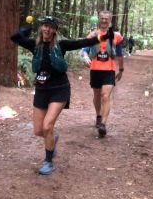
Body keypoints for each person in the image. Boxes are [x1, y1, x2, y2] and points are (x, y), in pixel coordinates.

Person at [11, 16, 113, 175]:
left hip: (60, 89)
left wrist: (104, 36)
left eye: (51, 27)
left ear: (54, 31)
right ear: (41, 27)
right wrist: (25, 29)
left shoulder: (61, 45)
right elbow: (14, 38)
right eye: (45, 26)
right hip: (42, 90)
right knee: (38, 131)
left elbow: (82, 42)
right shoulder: (35, 44)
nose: (47, 29)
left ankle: (48, 161)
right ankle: (51, 139)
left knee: (47, 126)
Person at [82, 10, 124, 138]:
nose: (104, 20)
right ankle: (98, 116)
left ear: (110, 20)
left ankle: (103, 125)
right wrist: (84, 56)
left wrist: (121, 69)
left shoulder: (116, 35)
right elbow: (85, 49)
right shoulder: (93, 34)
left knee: (105, 96)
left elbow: (120, 54)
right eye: (102, 18)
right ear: (99, 19)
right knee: (97, 95)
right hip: (95, 69)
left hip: (109, 70)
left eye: (106, 18)